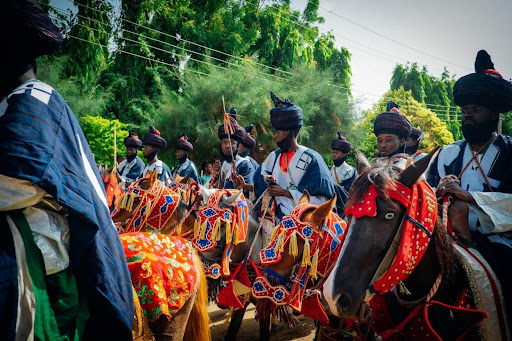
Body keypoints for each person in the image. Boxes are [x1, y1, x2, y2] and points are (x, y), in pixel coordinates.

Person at [0, 1, 133, 338]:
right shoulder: (17, 100)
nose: (136, 151)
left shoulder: (32, 100)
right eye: (134, 148)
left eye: (138, 148)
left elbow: (23, 179)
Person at [427, 50, 512, 323]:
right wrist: (440, 191)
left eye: (475, 110)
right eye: (465, 111)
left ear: (494, 113)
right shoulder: (447, 154)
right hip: (446, 239)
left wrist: (470, 197)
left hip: (500, 240)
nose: (468, 116)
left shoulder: (509, 151)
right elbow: (426, 196)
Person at [247, 92, 345, 220]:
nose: (274, 136)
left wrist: (286, 193)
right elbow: (260, 186)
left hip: (303, 223)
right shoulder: (273, 157)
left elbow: (323, 201)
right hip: (273, 219)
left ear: (288, 132)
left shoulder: (311, 159)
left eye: (278, 132)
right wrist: (244, 186)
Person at [209, 120, 255, 190]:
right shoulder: (223, 164)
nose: (227, 146)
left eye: (232, 142)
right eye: (224, 142)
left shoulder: (245, 165)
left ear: (238, 146)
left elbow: (247, 192)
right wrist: (216, 175)